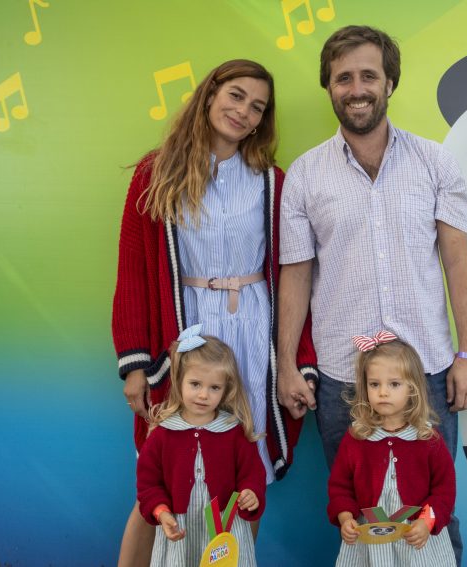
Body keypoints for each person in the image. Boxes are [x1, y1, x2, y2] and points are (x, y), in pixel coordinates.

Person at [277, 25, 467, 564]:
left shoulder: (435, 163)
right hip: (342, 378)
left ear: (390, 82)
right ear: (329, 87)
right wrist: (286, 366)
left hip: (427, 372)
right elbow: (295, 275)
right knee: (357, 517)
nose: (356, 88)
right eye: (343, 78)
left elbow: (459, 262)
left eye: (368, 75)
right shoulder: (304, 176)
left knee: (435, 517)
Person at [112, 59, 317, 566]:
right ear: (209, 95)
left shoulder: (272, 181)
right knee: (162, 478)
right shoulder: (155, 173)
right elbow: (133, 272)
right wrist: (135, 363)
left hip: (252, 331)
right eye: (236, 96)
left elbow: (295, 274)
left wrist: (296, 361)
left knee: (245, 476)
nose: (244, 111)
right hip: (186, 331)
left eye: (258, 107)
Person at [137, 326, 265, 566]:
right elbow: (148, 484)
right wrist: (161, 512)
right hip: (180, 530)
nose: (204, 395)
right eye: (195, 384)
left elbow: (253, 473)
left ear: (226, 389)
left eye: (214, 387)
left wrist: (251, 492)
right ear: (179, 381)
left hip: (224, 532)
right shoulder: (163, 434)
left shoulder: (233, 431)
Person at [328, 332, 456, 566]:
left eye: (394, 384)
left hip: (417, 540)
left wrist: (426, 522)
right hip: (369, 542)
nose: (383, 392)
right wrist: (345, 518)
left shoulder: (428, 439)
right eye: (374, 384)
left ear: (412, 388)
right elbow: (340, 487)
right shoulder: (356, 437)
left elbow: (444, 491)